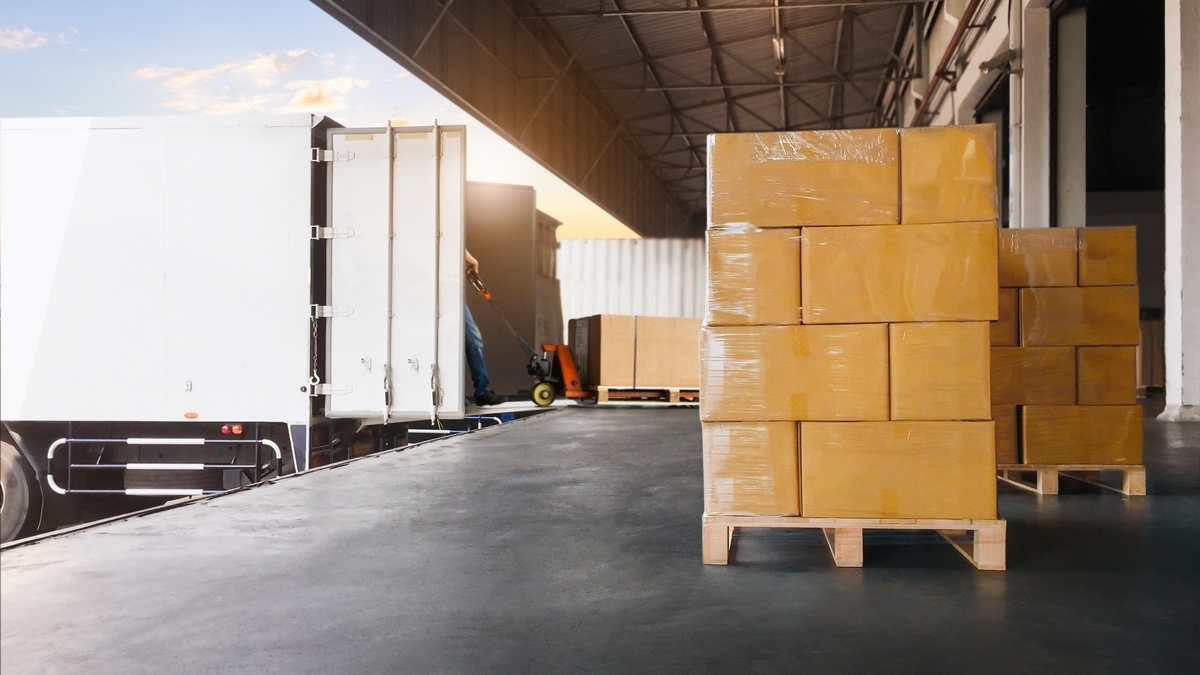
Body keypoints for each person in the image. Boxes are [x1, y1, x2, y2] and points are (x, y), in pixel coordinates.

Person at [464, 249, 508, 406]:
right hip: (446, 292)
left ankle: (479, 391)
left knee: (469, 340)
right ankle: (481, 391)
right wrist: (472, 260)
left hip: (444, 291)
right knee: (473, 339)